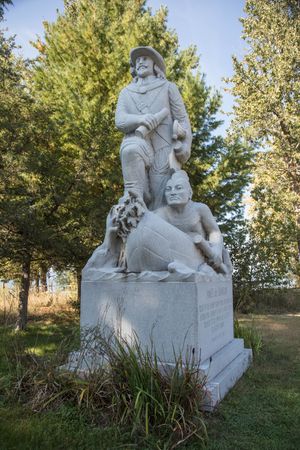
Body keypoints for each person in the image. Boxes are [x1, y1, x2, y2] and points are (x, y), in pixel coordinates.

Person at [115, 46, 192, 210]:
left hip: (163, 149)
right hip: (138, 142)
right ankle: (133, 200)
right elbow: (120, 120)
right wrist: (141, 119)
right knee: (130, 149)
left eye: (145, 58)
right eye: (137, 60)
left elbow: (182, 119)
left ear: (155, 64)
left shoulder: (168, 87)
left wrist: (184, 147)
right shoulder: (126, 92)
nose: (140, 62)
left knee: (161, 202)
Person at [155, 170, 232, 274]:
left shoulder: (200, 209)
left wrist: (216, 251)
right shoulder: (162, 213)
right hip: (176, 255)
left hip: (202, 255)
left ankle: (192, 270)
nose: (173, 192)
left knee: (206, 271)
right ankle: (184, 269)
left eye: (179, 188)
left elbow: (214, 232)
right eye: (168, 189)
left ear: (189, 193)